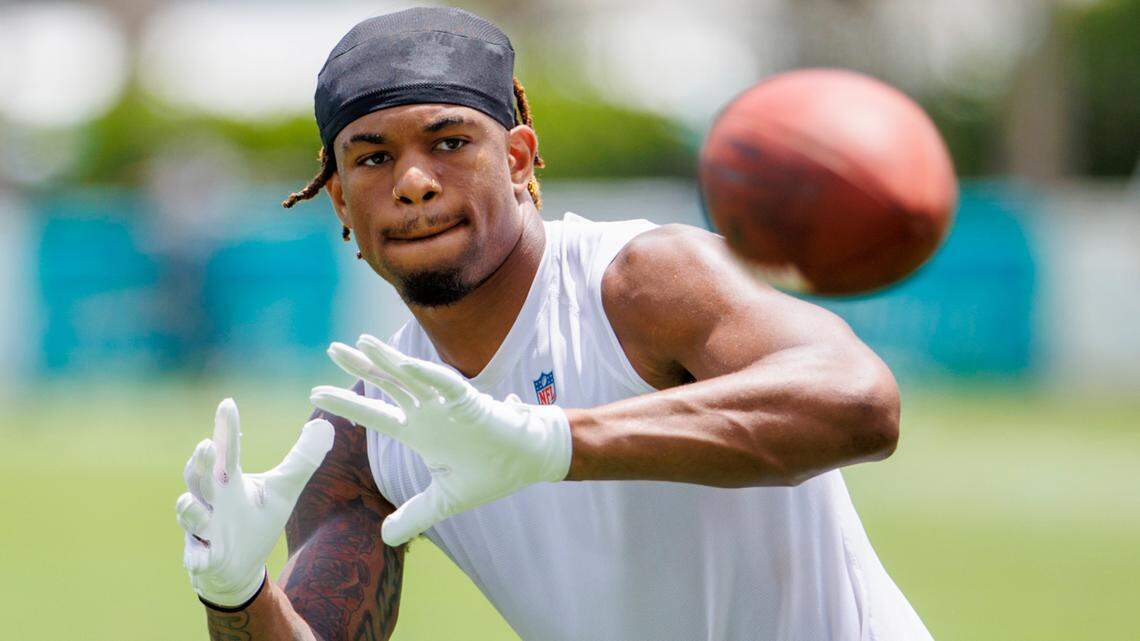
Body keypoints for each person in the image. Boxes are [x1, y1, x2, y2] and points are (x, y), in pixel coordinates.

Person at [174, 7, 934, 641]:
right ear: (339, 201)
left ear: (517, 159)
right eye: (372, 159)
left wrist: (554, 441)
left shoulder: (641, 280)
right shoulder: (368, 432)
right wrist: (240, 593)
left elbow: (862, 403)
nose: (411, 183)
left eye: (448, 143)